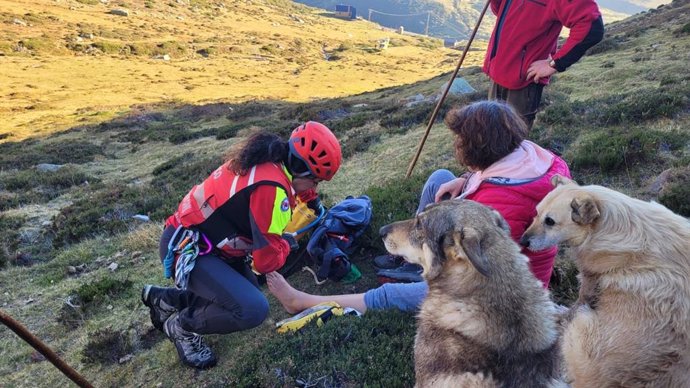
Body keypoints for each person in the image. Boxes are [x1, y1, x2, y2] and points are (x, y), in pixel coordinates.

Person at [268, 100, 571, 315]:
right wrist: (465, 179)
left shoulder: (495, 209)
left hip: (494, 292)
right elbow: (497, 184)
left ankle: (302, 301)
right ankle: (409, 261)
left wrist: (436, 270)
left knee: (392, 294)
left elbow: (470, 269)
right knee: (440, 179)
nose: (457, 146)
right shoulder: (534, 158)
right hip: (488, 253)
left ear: (480, 147)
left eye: (461, 141)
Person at [141, 122, 342, 369]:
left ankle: (168, 300)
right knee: (252, 309)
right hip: (190, 251)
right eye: (316, 182)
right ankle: (182, 326)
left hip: (203, 241)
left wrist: (310, 199)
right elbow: (265, 262)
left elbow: (294, 189)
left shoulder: (270, 157)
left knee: (246, 292)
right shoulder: (273, 191)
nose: (315, 187)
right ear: (303, 173)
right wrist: (286, 245)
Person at [484, 0, 604, 129]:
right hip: (498, 72)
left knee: (513, 142)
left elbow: (592, 26)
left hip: (523, 81)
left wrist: (555, 63)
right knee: (490, 133)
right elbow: (504, 13)